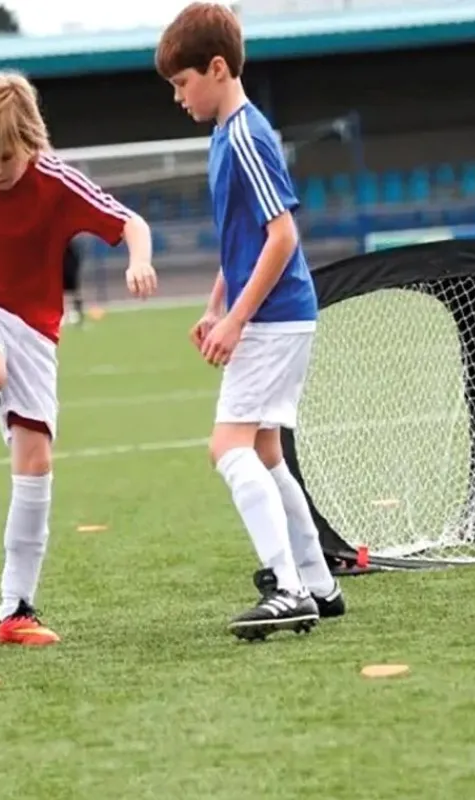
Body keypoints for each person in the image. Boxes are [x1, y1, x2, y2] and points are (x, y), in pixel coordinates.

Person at [0, 71, 158, 646]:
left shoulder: (57, 181)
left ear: (30, 141)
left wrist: (138, 259)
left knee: (36, 460)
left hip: (36, 329)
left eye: (6, 158)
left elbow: (131, 223)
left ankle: (15, 610)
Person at [155, 2, 345, 641]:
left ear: (217, 68)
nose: (179, 97)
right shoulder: (224, 134)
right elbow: (242, 239)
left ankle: (287, 588)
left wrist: (237, 319)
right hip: (275, 317)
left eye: (183, 82)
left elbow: (282, 236)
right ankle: (318, 582)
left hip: (273, 319)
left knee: (226, 447)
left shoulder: (244, 135)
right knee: (264, 452)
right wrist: (217, 305)